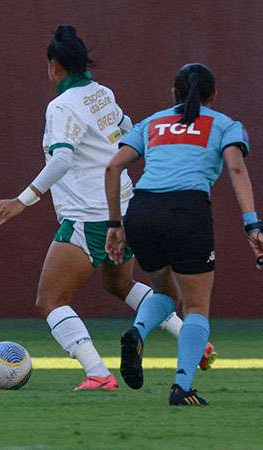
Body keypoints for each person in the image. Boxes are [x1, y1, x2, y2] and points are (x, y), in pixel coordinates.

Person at [0, 26, 213, 391]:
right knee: (119, 283)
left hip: (88, 216)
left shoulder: (61, 106)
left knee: (50, 299)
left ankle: (97, 373)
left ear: (54, 65)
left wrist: (21, 201)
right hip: (124, 207)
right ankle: (192, 337)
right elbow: (130, 128)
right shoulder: (101, 93)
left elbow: (61, 161)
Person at [105, 63, 262, 405]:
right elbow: (235, 167)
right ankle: (182, 387)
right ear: (214, 94)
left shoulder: (152, 122)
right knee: (196, 308)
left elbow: (114, 165)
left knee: (166, 291)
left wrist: (115, 225)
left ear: (173, 93)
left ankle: (137, 332)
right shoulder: (224, 124)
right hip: (187, 211)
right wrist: (252, 224)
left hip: (143, 211)